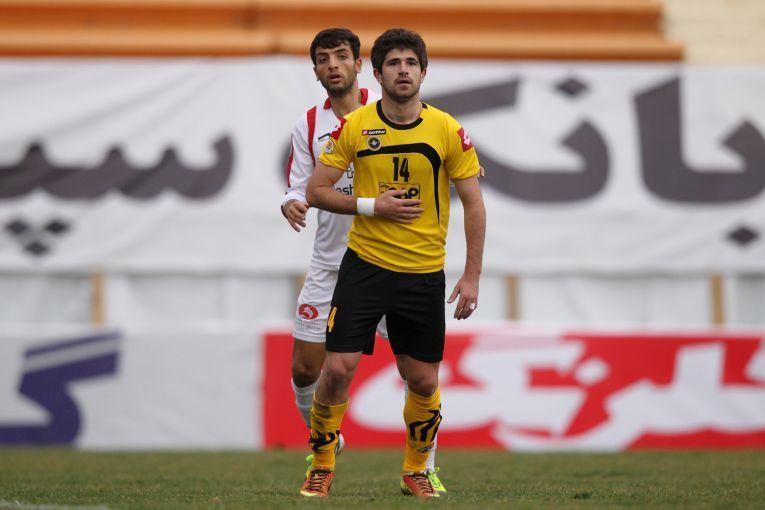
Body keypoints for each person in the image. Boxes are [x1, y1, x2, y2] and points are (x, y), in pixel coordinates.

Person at [300, 28, 486, 498]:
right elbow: (316, 190)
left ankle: (416, 470)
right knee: (336, 369)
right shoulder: (356, 126)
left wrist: (471, 276)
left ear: (424, 72)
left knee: (422, 378)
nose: (403, 71)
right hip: (365, 266)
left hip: (423, 272)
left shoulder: (447, 129)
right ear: (378, 74)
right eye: (394, 63)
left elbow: (474, 203)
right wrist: (371, 206)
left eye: (411, 63)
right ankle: (321, 463)